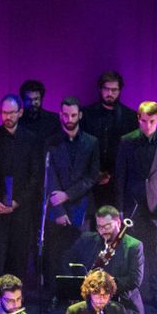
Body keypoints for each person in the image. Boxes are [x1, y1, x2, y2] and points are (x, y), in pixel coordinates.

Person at [114, 100, 157, 300]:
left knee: (156, 252)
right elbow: (120, 176)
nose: (146, 125)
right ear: (138, 119)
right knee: (129, 252)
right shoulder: (127, 140)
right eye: (143, 121)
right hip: (132, 206)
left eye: (151, 121)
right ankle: (129, 296)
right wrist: (120, 208)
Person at [0, 94, 42, 280]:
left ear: (20, 112)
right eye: (4, 113)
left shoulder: (31, 139)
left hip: (21, 210)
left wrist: (18, 201)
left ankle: (17, 300)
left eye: (12, 113)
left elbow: (35, 176)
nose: (8, 117)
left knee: (19, 257)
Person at [42, 98, 100, 280]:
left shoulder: (91, 142)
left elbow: (92, 177)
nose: (69, 118)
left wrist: (67, 195)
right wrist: (58, 210)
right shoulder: (51, 142)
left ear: (80, 115)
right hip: (56, 208)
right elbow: (49, 177)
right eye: (65, 115)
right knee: (56, 254)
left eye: (73, 115)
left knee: (82, 254)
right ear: (60, 115)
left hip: (81, 206)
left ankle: (78, 297)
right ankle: (54, 295)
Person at [65, 205, 144, 314]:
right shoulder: (88, 239)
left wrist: (107, 283)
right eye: (99, 227)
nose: (103, 231)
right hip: (93, 307)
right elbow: (67, 259)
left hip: (123, 307)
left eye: (107, 226)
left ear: (118, 222)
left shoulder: (134, 246)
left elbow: (135, 280)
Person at [80, 70, 136, 210]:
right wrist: (95, 173)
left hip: (118, 182)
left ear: (120, 90)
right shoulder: (86, 114)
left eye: (114, 90)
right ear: (100, 89)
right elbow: (81, 148)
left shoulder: (130, 117)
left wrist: (110, 173)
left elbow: (130, 153)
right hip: (89, 181)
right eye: (106, 89)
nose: (110, 93)